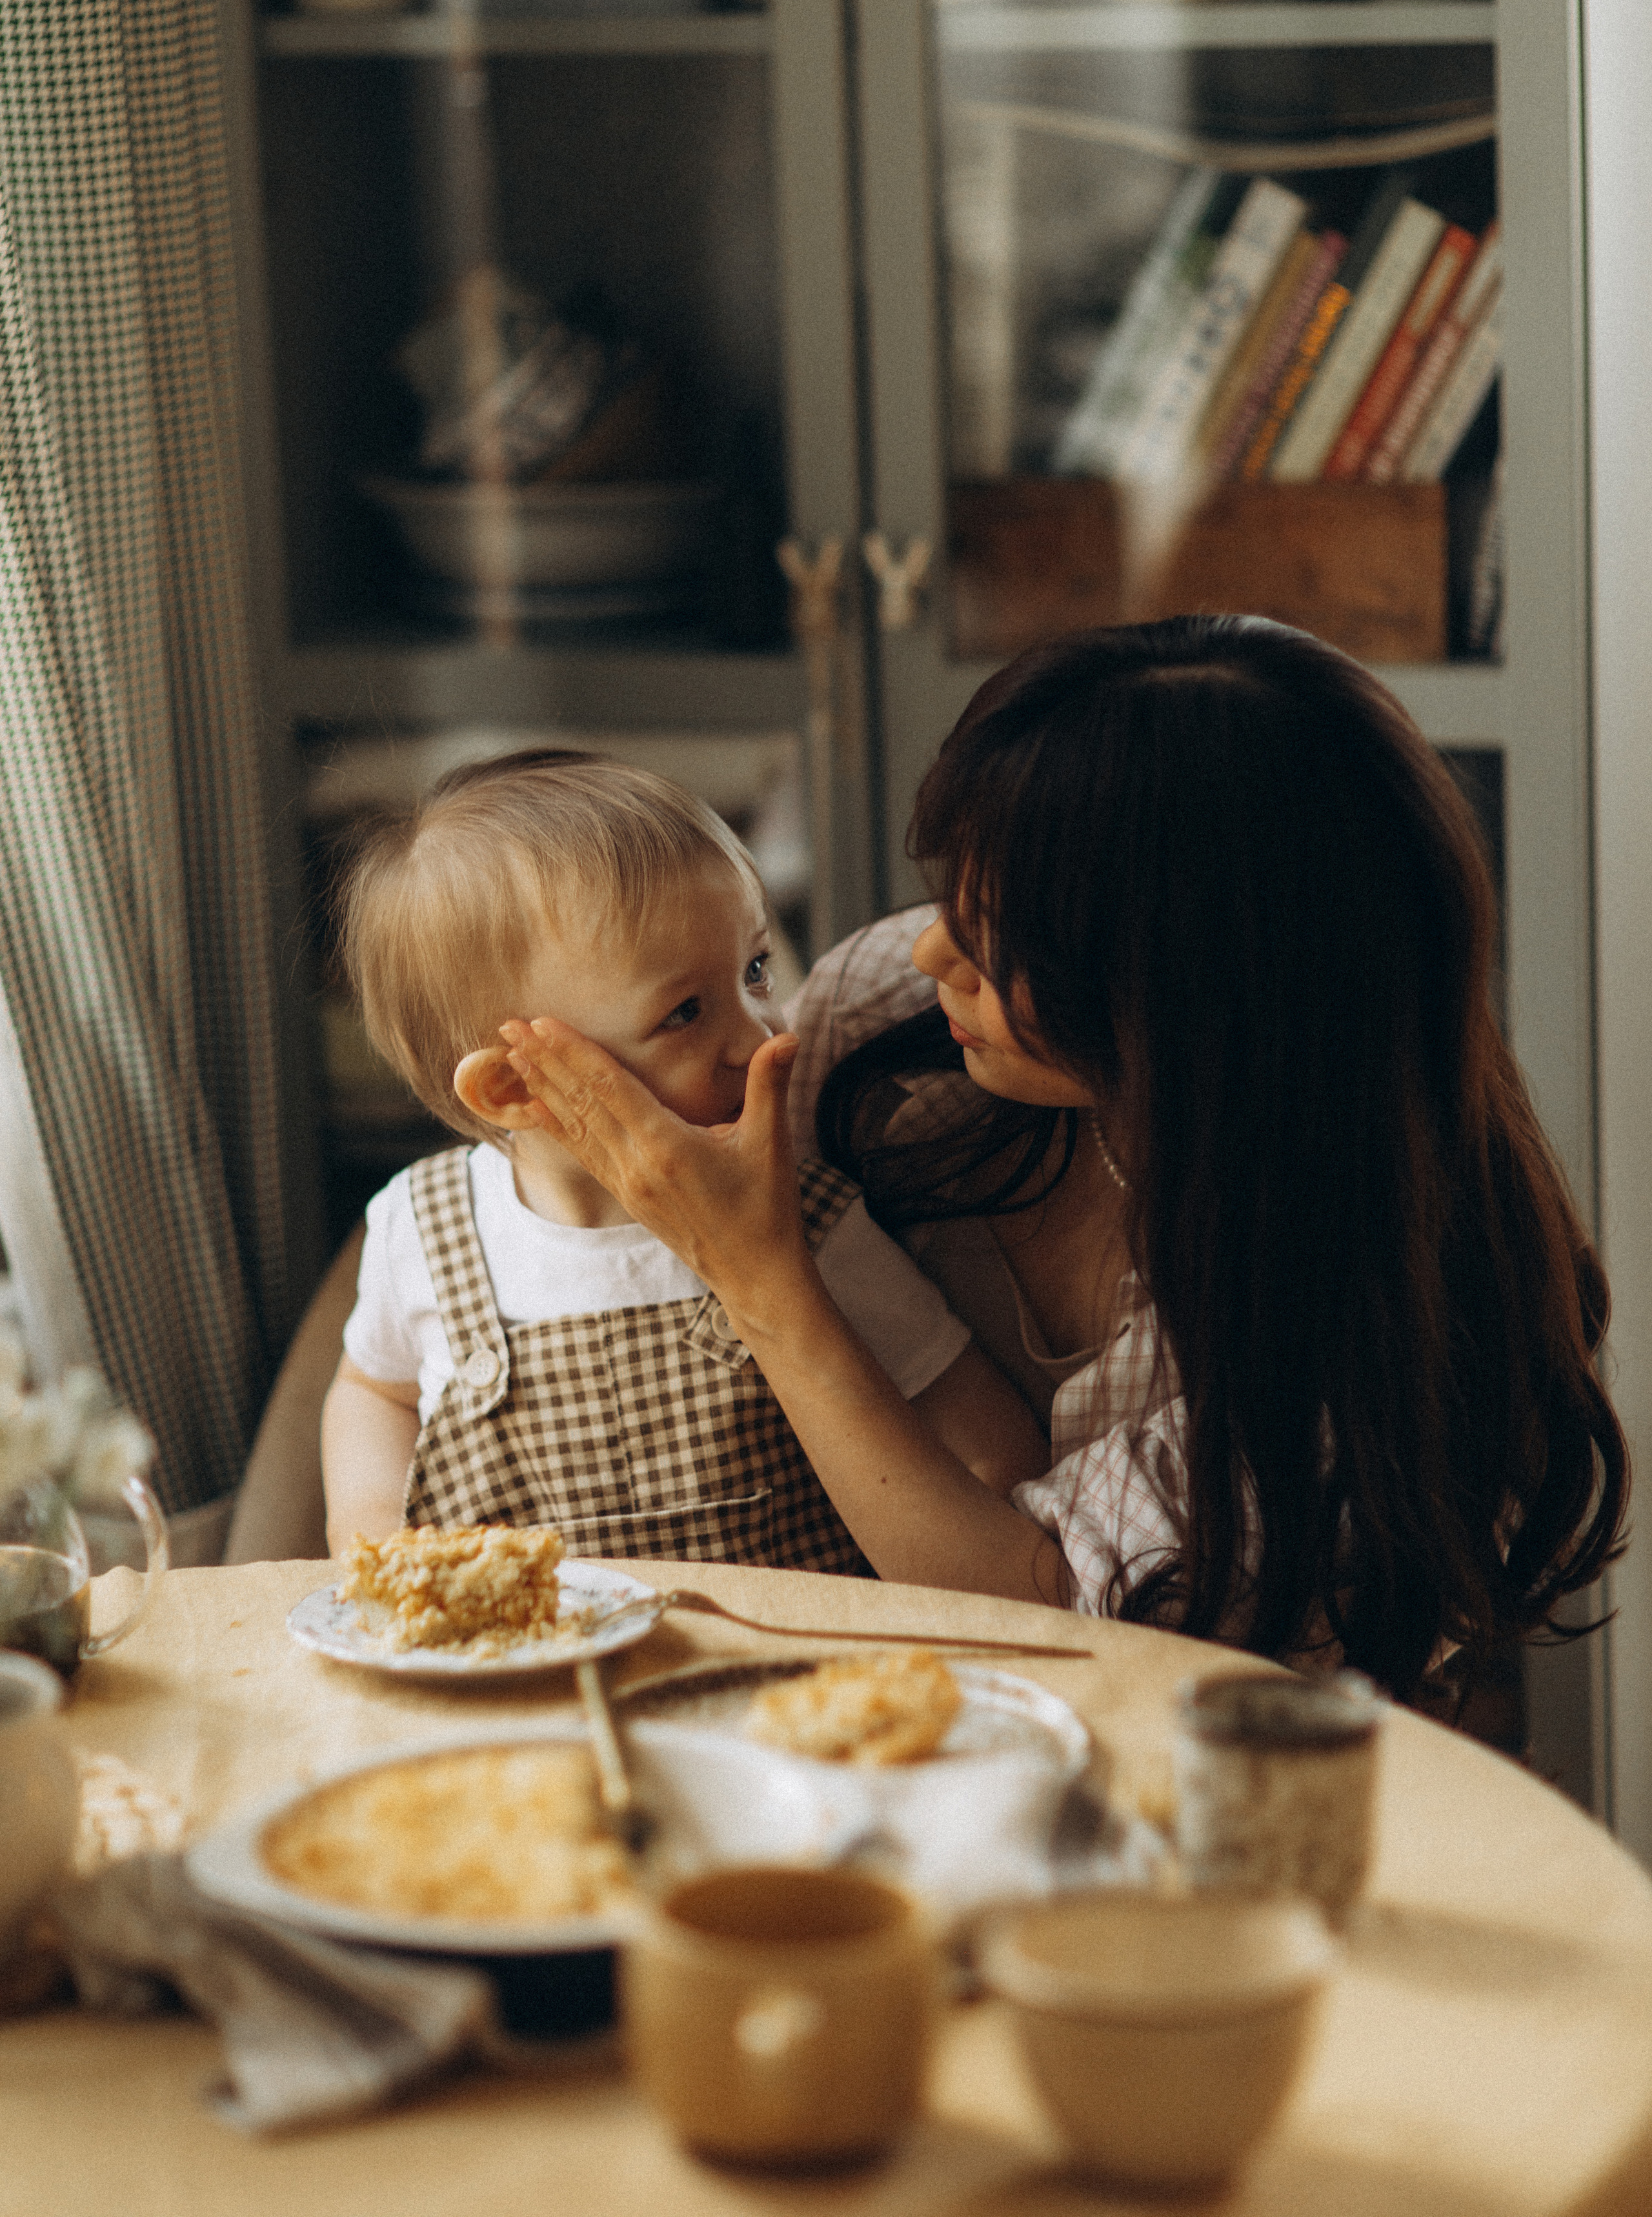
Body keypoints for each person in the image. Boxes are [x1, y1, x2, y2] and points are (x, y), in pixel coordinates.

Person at [498, 619, 1630, 1702]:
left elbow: (1038, 1627)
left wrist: (761, 1280)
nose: (932, 950)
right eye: (954, 893)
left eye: (1004, 938)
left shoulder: (1380, 1329)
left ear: (1195, 1003)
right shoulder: (891, 1024)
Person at [317, 748, 1045, 1561]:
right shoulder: (419, 1230)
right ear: (513, 1087)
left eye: (755, 970)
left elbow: (993, 1449)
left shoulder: (806, 1224)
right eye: (685, 1013)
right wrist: (370, 1532)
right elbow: (374, 1390)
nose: (762, 1036)